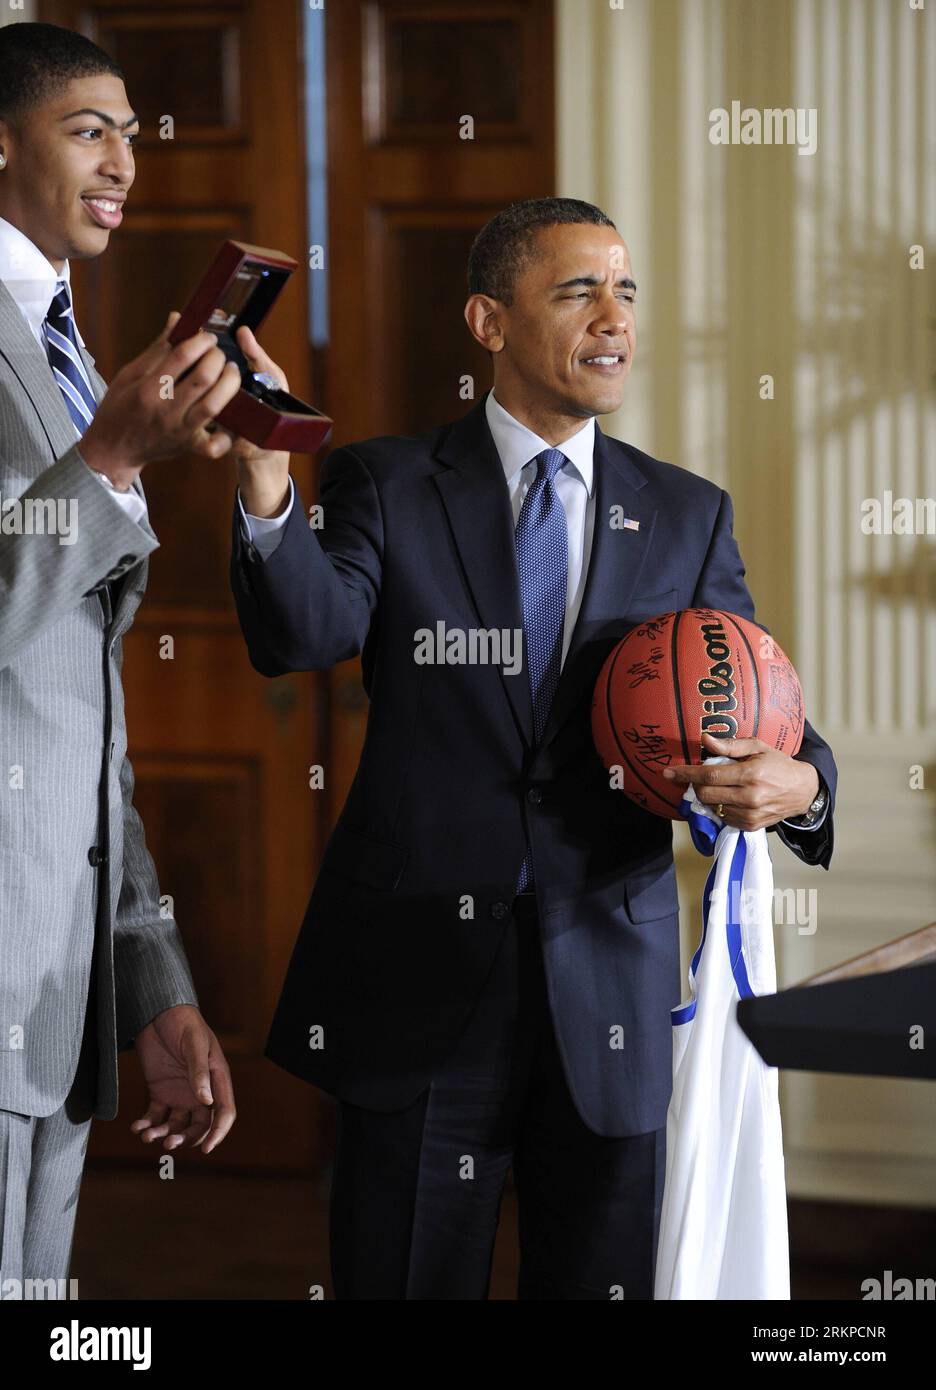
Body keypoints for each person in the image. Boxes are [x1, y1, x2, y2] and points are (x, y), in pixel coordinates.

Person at [230, 196, 836, 1300]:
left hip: (610, 985)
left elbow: (759, 700)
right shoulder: (387, 481)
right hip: (417, 985)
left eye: (627, 291)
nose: (615, 317)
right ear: (489, 320)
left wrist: (800, 782)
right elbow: (304, 633)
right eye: (577, 291)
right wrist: (269, 485)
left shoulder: (687, 511)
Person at [0, 21, 276, 1290]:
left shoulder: (65, 354)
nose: (124, 161)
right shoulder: (84, 400)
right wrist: (109, 460)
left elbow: (76, 702)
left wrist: (150, 972)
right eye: (86, 129)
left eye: (129, 134)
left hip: (56, 1001)